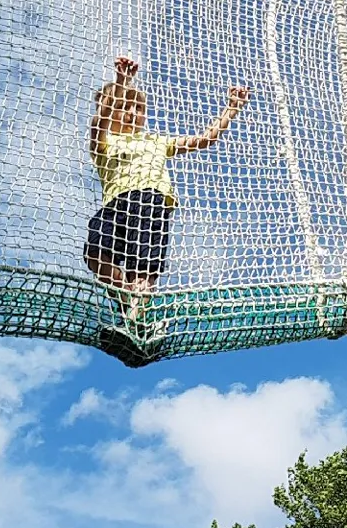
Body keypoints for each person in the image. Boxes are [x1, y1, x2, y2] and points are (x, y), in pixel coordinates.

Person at [86, 55, 248, 354]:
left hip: (151, 200)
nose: (133, 113)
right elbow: (99, 123)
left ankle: (134, 318)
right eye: (124, 107)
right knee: (96, 255)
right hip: (116, 203)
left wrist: (231, 109)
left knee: (143, 268)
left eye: (138, 108)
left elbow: (205, 140)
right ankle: (131, 306)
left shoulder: (156, 141)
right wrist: (123, 83)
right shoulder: (105, 142)